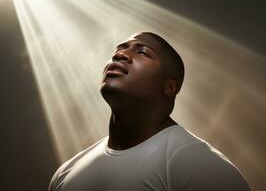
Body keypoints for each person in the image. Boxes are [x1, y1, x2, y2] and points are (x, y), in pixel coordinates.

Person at [48, 32, 250, 191]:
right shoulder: (66, 172)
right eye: (118, 50)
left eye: (142, 52)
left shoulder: (203, 167)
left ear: (170, 87)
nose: (120, 54)